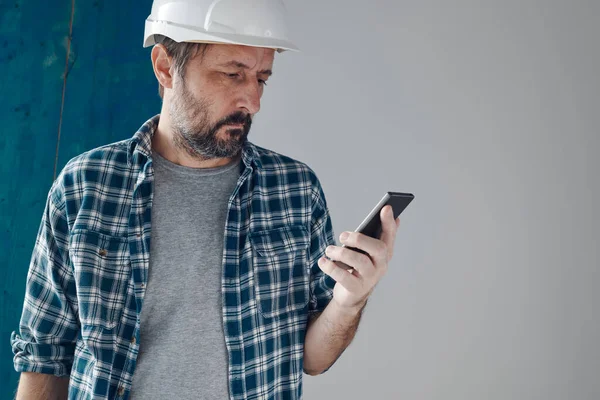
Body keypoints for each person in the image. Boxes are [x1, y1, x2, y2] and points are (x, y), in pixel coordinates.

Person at [10, 0, 401, 399]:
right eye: (233, 74)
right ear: (165, 67)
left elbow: (313, 359)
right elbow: (44, 355)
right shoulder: (85, 186)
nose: (253, 101)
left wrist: (350, 300)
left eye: (262, 79)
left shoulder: (295, 190)